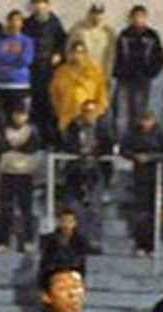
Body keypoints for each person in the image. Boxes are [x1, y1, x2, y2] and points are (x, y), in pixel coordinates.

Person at [60, 99, 113, 254]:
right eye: (86, 111)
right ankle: (77, 240)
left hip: (96, 171)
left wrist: (97, 155)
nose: (89, 115)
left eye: (92, 112)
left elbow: (108, 145)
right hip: (76, 171)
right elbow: (67, 144)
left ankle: (94, 240)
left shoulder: (103, 128)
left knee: (95, 208)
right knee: (75, 208)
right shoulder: (73, 126)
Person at [112, 5, 163, 141]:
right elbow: (117, 56)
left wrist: (150, 73)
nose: (138, 20)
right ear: (131, 18)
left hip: (143, 81)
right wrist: (118, 73)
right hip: (124, 81)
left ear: (145, 18)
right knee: (122, 115)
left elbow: (160, 58)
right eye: (136, 17)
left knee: (139, 115)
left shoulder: (152, 36)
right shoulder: (124, 35)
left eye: (141, 17)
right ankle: (121, 144)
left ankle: (137, 143)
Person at [119, 110, 163, 256]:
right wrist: (135, 157)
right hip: (139, 176)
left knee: (155, 211)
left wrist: (151, 157)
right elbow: (123, 149)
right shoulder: (133, 133)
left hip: (156, 176)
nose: (146, 124)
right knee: (140, 212)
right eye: (143, 120)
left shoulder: (161, 133)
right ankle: (139, 243)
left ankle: (153, 244)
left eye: (148, 120)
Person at [0, 105, 41, 254]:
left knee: (26, 210)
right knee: (6, 209)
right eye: (16, 114)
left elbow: (31, 147)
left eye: (22, 115)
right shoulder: (4, 130)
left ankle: (28, 240)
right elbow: (0, 146)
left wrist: (14, 146)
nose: (19, 118)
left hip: (25, 173)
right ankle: (2, 241)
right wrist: (15, 146)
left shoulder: (32, 130)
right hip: (7, 172)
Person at [24, 0, 67, 147]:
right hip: (34, 71)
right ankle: (39, 140)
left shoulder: (55, 23)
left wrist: (59, 54)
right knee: (36, 107)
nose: (39, 6)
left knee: (51, 106)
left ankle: (53, 140)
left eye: (42, 3)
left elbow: (63, 42)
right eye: (36, 3)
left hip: (50, 71)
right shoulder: (28, 23)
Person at [49, 41, 108, 133]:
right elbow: (54, 93)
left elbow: (102, 94)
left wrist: (97, 112)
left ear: (86, 54)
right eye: (75, 52)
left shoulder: (94, 71)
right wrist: (59, 110)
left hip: (88, 117)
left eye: (81, 52)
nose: (77, 55)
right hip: (68, 117)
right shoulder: (61, 72)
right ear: (70, 54)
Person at [0, 10, 35, 124]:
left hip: (19, 85)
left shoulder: (26, 41)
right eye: (12, 20)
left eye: (18, 20)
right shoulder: (0, 40)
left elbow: (26, 60)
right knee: (1, 120)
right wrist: (14, 59)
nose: (15, 23)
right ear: (8, 22)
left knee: (18, 120)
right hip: (1, 85)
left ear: (22, 23)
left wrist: (7, 62)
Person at [67, 3, 116, 92]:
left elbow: (111, 56)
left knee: (99, 104)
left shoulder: (109, 32)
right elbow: (69, 50)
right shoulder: (78, 29)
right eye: (94, 13)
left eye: (99, 13)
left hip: (100, 76)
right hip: (81, 75)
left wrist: (108, 75)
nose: (96, 16)